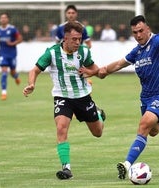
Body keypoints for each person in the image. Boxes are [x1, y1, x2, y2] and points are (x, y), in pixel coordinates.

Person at [79, 15, 159, 180]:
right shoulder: (136, 51)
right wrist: (98, 72)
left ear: (148, 29)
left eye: (140, 31)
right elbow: (117, 64)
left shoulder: (158, 42)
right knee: (153, 131)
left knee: (144, 125)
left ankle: (127, 164)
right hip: (146, 98)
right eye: (134, 32)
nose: (138, 35)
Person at [23, 21, 106, 180]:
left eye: (79, 39)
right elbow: (34, 70)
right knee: (61, 128)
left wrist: (89, 71)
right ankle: (66, 168)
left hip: (82, 97)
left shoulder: (84, 52)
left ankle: (99, 114)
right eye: (74, 39)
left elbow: (97, 70)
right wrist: (31, 84)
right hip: (62, 97)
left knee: (98, 133)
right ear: (65, 38)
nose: (77, 42)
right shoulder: (52, 53)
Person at [0, 12, 23, 100]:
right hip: (2, 54)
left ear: (7, 19)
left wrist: (12, 43)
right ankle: (4, 92)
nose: (3, 19)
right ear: (0, 20)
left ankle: (16, 77)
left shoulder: (12, 29)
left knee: (12, 72)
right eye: (1, 18)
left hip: (12, 54)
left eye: (5, 17)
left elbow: (20, 39)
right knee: (4, 72)